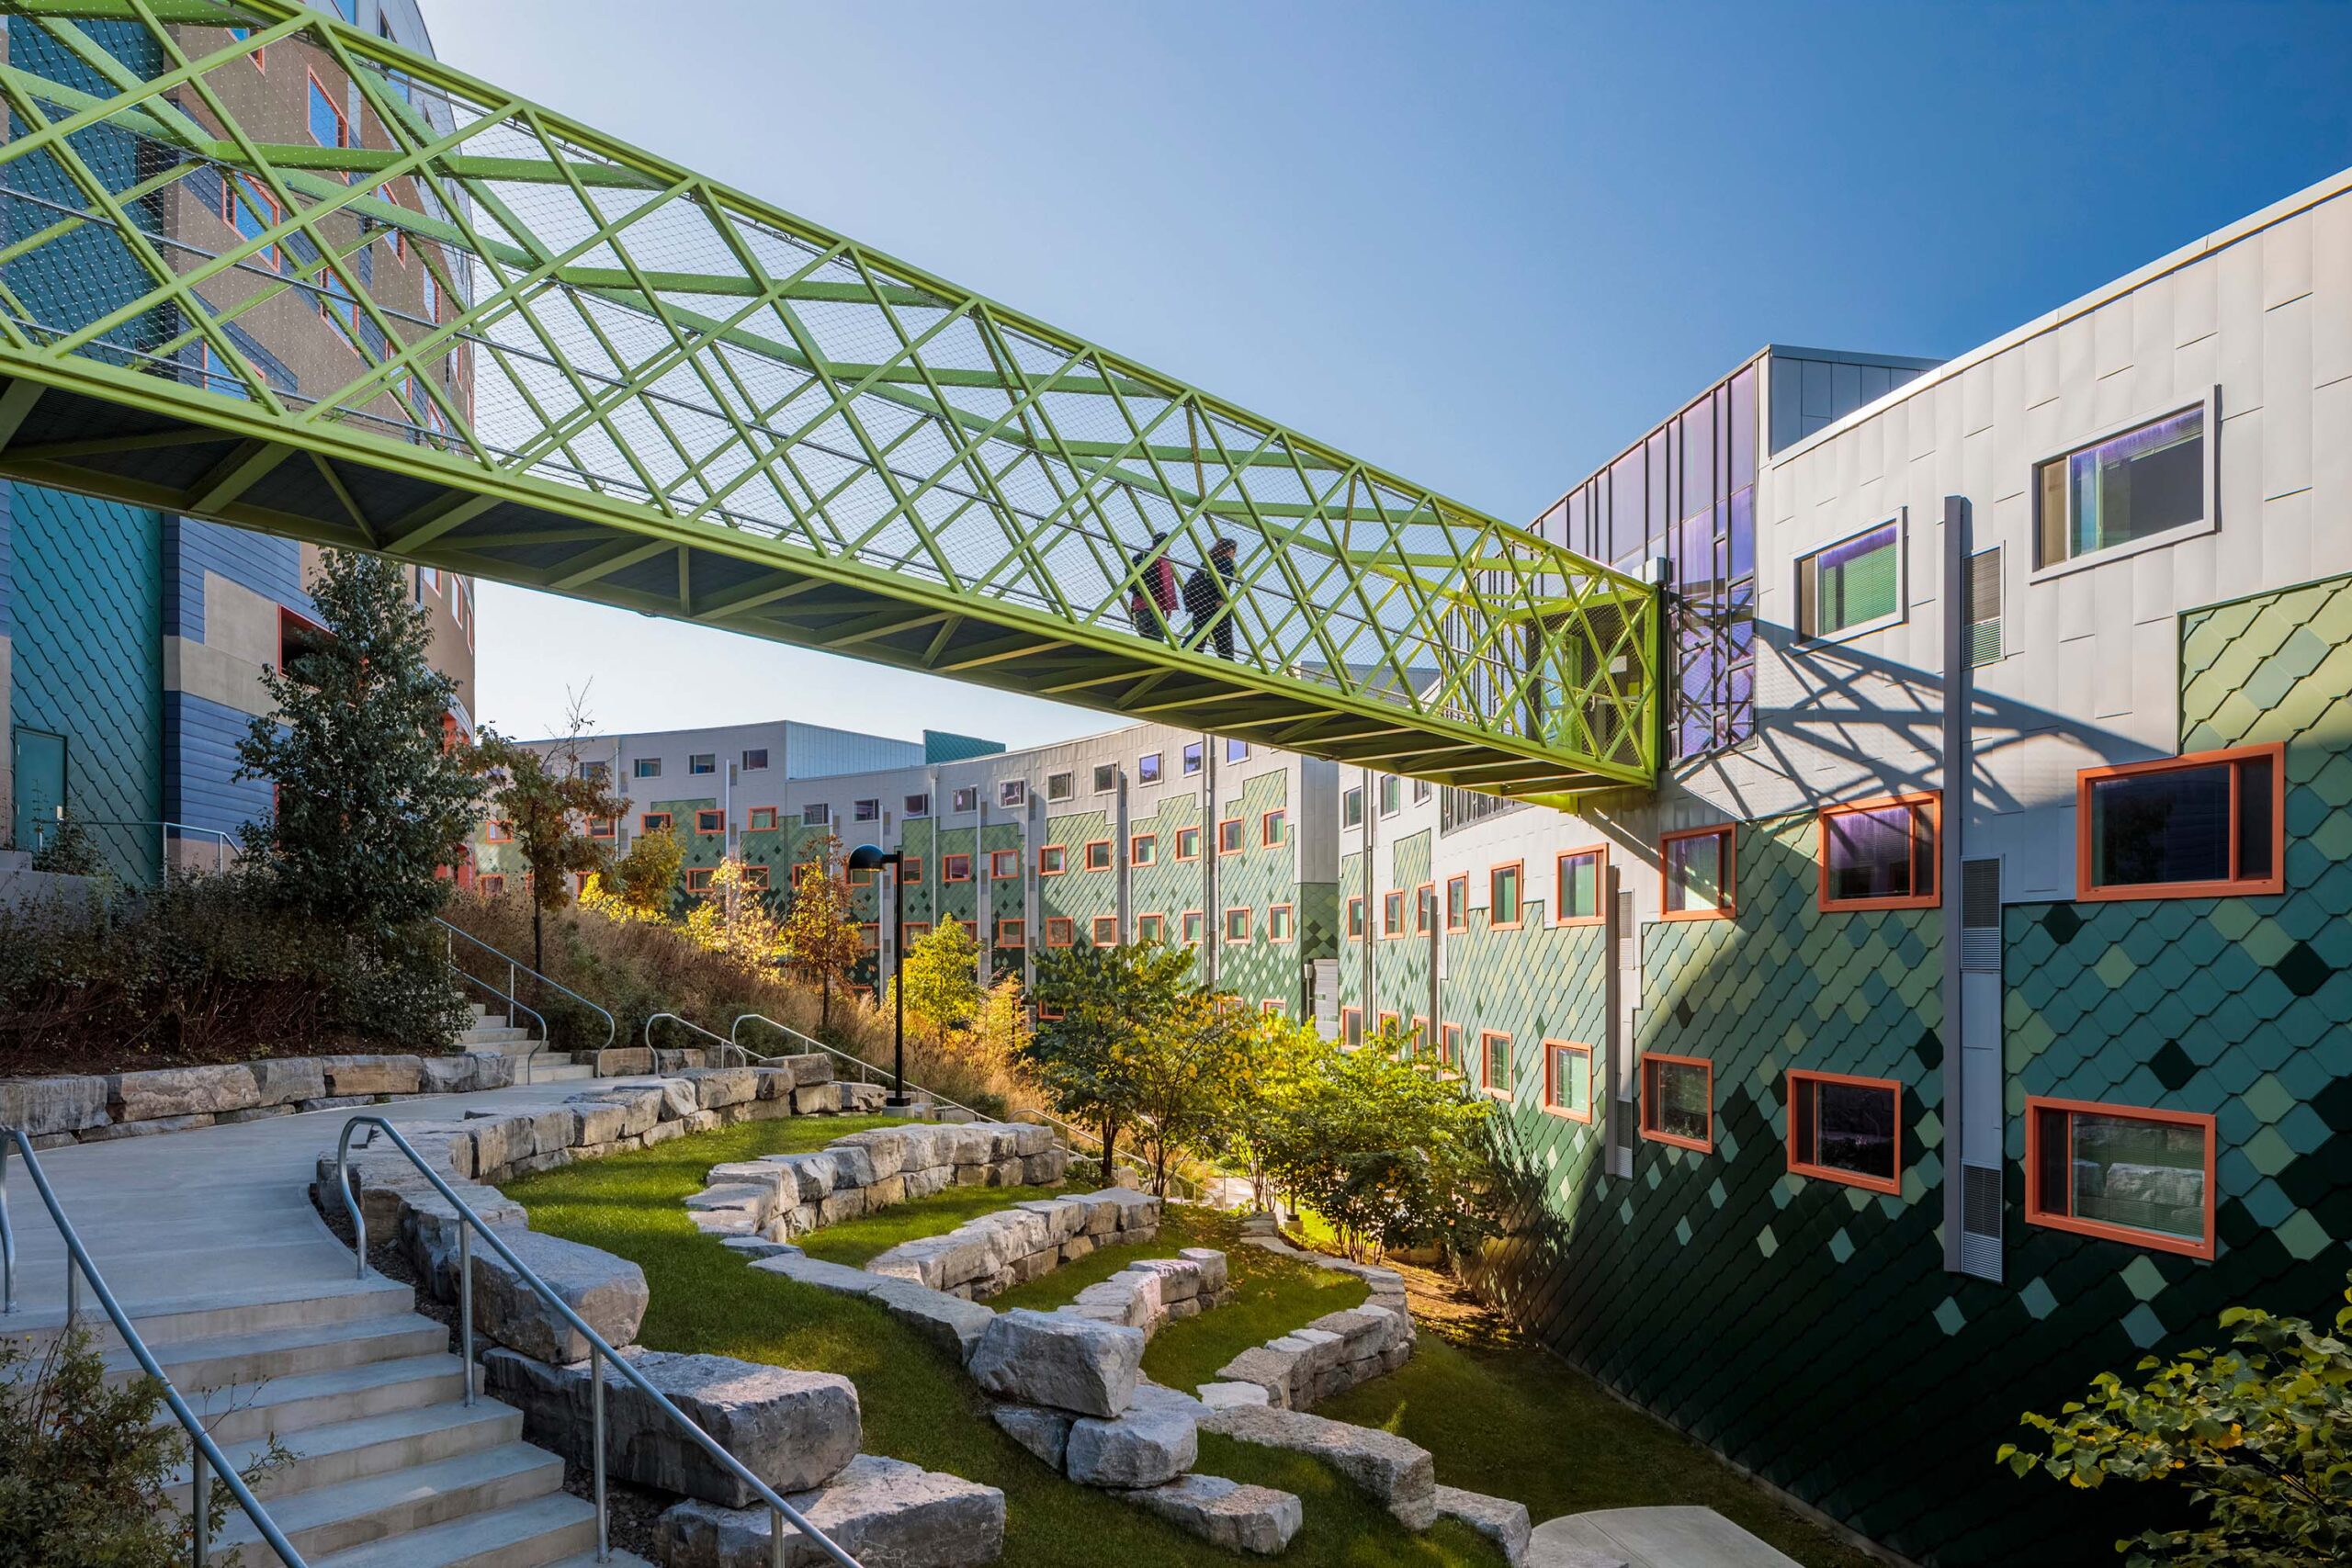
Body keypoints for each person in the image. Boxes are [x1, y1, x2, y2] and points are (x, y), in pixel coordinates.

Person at [1184, 537, 1238, 659]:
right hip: (1215, 603)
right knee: (1223, 637)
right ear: (1230, 550)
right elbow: (1224, 581)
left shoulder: (1208, 563)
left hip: (1200, 602)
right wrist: (1222, 598)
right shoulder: (1226, 562)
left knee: (1200, 632)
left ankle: (1189, 653)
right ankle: (1227, 663)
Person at [1128, 533, 1178, 640]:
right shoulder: (1162, 559)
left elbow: (1130, 579)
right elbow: (1166, 585)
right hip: (1156, 604)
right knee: (1157, 639)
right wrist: (1168, 608)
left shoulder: (1140, 556)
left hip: (1139, 603)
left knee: (1144, 638)